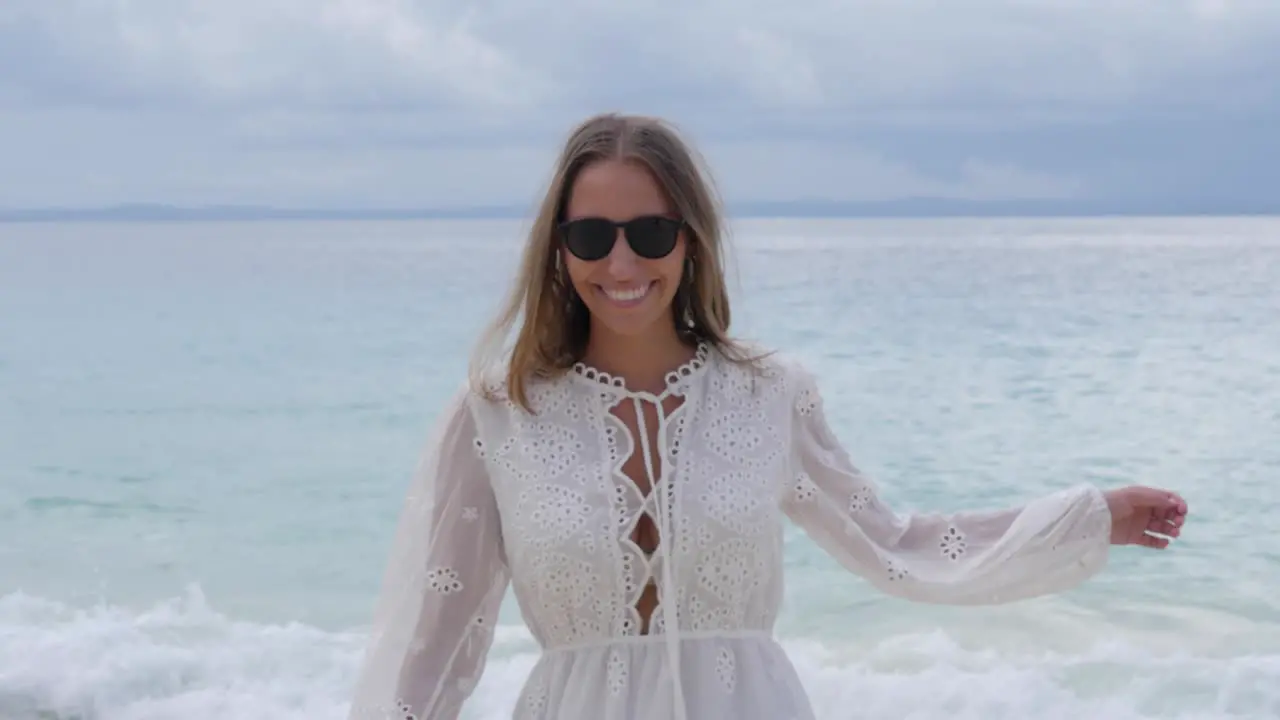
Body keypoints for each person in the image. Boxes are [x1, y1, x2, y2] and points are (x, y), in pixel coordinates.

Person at [346, 113, 1190, 720]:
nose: (623, 260)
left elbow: (893, 545)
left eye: (649, 229)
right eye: (592, 235)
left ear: (691, 240)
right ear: (558, 251)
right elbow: (434, 651)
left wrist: (1088, 519)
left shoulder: (770, 393)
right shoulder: (498, 413)